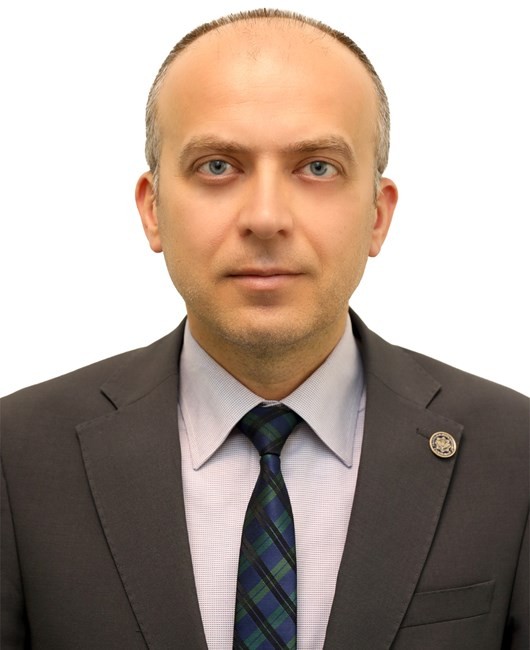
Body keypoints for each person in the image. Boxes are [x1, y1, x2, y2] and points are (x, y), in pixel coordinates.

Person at [1, 8, 527, 650]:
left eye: (317, 167)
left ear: (377, 215)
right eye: (218, 166)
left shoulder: (515, 455)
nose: (266, 217)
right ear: (153, 209)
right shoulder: (17, 456)